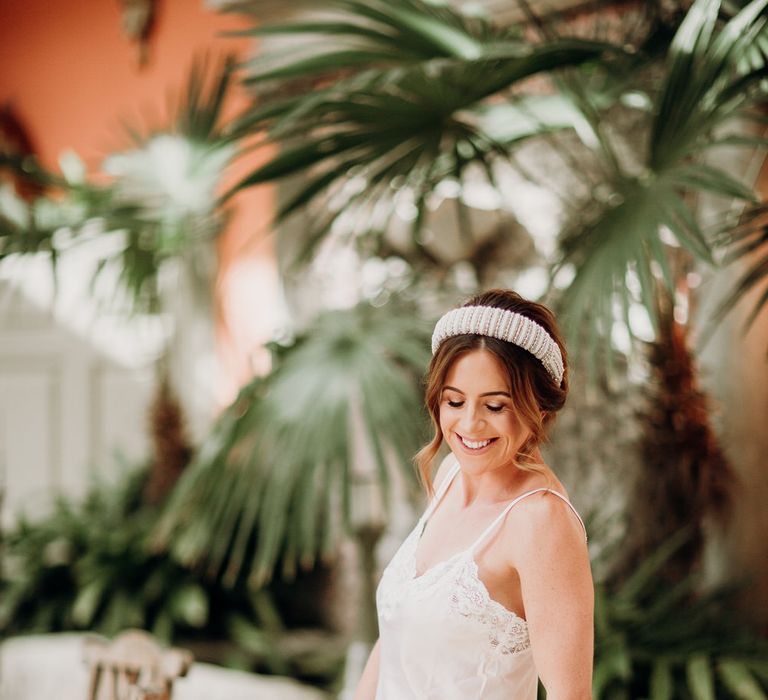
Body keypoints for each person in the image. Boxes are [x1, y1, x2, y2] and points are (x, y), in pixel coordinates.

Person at [353, 289, 594, 700]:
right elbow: (396, 633)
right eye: (454, 401)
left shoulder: (540, 522)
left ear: (540, 406)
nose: (470, 425)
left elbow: (570, 694)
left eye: (496, 406)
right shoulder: (451, 475)